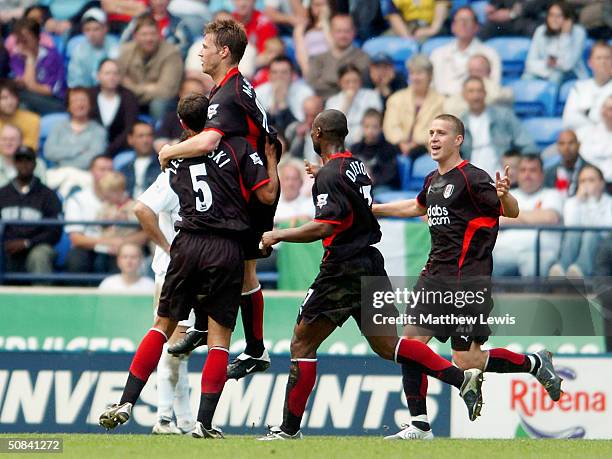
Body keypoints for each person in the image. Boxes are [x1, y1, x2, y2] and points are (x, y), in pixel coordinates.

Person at [258, 109, 485, 440]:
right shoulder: (355, 165)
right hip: (370, 264)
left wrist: (278, 234)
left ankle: (289, 431)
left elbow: (326, 225)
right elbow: (346, 193)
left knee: (302, 343)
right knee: (388, 346)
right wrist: (322, 173)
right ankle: (460, 378)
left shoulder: (330, 174)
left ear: (318, 134)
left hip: (340, 269)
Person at [98, 94, 279, 440]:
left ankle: (126, 401)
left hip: (186, 244)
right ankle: (203, 423)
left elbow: (145, 205)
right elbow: (267, 196)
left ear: (183, 125)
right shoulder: (237, 147)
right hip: (224, 247)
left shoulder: (175, 161)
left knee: (161, 327)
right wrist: (269, 162)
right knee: (219, 338)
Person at [372, 114, 562, 440]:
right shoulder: (432, 179)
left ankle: (534, 363)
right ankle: (418, 424)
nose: (433, 138)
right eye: (431, 133)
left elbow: (512, 211)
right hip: (434, 276)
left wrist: (504, 195)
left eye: (441, 133)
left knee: (467, 359)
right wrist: (372, 209)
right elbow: (415, 207)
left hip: (467, 279)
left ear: (458, 139)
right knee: (411, 344)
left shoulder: (473, 178)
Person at [158, 18, 283, 379]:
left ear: (224, 52)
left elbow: (211, 141)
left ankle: (246, 346)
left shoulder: (228, 95)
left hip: (254, 186)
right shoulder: (230, 89)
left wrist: (170, 151)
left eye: (206, 46)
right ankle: (234, 340)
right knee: (235, 266)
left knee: (227, 260)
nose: (200, 51)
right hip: (249, 179)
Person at [64, 155, 145, 275]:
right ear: (91, 171)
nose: (106, 173)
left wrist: (122, 242)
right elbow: (76, 239)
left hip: (120, 246)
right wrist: (109, 242)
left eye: (110, 169)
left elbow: (146, 231)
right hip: (91, 247)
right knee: (76, 258)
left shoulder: (131, 201)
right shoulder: (77, 199)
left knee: (125, 256)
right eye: (102, 169)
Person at [493, 154, 563, 277]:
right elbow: (496, 220)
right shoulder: (506, 194)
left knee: (532, 269)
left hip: (538, 253)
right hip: (503, 251)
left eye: (533, 170)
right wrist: (533, 217)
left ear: (542, 174)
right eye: (523, 170)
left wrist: (510, 215)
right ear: (517, 174)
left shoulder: (553, 194)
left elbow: (549, 218)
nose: (527, 175)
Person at [0, 146, 61, 281]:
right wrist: (5, 243)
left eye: (28, 160)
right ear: (14, 163)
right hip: (6, 247)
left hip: (37, 246)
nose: (24, 164)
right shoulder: (2, 194)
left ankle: (42, 300)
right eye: (20, 160)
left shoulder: (48, 195)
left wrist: (27, 243)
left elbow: (54, 231)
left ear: (35, 163)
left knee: (40, 256)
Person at [460, 77, 538, 178]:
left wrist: (521, 164)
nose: (476, 96)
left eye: (479, 91)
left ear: (485, 93)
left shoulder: (504, 115)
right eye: (471, 91)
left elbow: (526, 143)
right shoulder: (459, 123)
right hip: (471, 178)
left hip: (503, 174)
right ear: (464, 95)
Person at [549, 165, 612, 277]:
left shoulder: (609, 202)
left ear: (602, 183)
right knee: (573, 232)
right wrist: (578, 201)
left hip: (600, 243)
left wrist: (592, 201)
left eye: (591, 180)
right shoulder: (572, 202)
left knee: (590, 233)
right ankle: (562, 267)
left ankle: (580, 269)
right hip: (576, 241)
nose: (587, 184)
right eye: (583, 181)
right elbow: (571, 225)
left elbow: (604, 230)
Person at [117, 13, 183, 120]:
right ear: (135, 36)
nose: (149, 38)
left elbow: (166, 90)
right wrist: (150, 87)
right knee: (121, 99)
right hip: (132, 99)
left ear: (159, 34)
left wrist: (134, 87)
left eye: (153, 34)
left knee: (158, 104)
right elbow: (118, 81)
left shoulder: (172, 53)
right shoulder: (125, 51)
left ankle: (159, 135)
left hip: (160, 101)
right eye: (144, 34)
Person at [430, 6, 502, 97]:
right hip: (441, 105)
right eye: (459, 20)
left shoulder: (490, 54)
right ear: (452, 27)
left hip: (474, 105)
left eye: (468, 20)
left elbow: (494, 86)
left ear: (476, 27)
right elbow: (430, 87)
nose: (463, 24)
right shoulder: (437, 54)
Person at [383, 54, 444, 159]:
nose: (415, 77)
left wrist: (416, 143)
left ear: (430, 76)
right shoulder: (395, 98)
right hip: (398, 146)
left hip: (426, 147)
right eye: (412, 73)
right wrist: (401, 142)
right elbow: (390, 127)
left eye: (420, 73)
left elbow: (438, 129)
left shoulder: (441, 101)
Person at [305, 14, 370, 100]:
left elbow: (356, 83)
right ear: (331, 33)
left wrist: (325, 79)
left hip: (354, 101)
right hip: (323, 104)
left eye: (346, 31)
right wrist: (343, 81)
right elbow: (313, 83)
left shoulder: (363, 57)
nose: (343, 35)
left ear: (353, 32)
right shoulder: (318, 58)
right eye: (338, 31)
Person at [8, 17, 65, 114]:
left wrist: (30, 58)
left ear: (38, 38)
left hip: (55, 102)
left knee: (20, 96)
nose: (21, 45)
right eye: (18, 41)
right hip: (30, 101)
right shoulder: (16, 58)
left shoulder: (52, 56)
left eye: (25, 40)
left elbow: (48, 91)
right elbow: (26, 84)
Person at [43, 87, 108, 170]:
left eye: (83, 100)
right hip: (58, 173)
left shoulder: (99, 131)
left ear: (90, 105)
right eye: (75, 101)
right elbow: (49, 152)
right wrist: (78, 150)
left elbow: (94, 158)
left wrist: (65, 163)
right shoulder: (58, 127)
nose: (79, 104)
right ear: (68, 106)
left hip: (85, 174)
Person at [523, 1, 588, 84]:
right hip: (546, 70)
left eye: (558, 16)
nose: (554, 19)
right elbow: (530, 62)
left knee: (556, 76)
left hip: (572, 74)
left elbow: (568, 65)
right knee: (527, 76)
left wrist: (565, 35)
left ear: (567, 18)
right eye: (551, 15)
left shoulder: (578, 32)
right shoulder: (541, 30)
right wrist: (547, 64)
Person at [89, 59, 140, 157]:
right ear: (98, 76)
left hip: (121, 150)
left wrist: (109, 150)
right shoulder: (90, 95)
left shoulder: (129, 97)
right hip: (92, 148)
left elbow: (130, 127)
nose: (111, 77)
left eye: (115, 73)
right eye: (107, 73)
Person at [324, 63, 383, 147]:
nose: (351, 85)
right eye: (347, 82)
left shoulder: (372, 96)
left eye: (355, 81)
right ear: (340, 82)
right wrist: (347, 103)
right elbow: (332, 127)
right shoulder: (332, 101)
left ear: (360, 81)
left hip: (365, 141)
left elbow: (376, 121)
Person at [255, 56, 314, 137]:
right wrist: (273, 106)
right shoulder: (259, 92)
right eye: (275, 72)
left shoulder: (305, 93)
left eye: (284, 72)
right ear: (269, 75)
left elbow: (299, 126)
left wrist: (283, 104)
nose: (279, 76)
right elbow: (259, 125)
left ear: (292, 75)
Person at [444, 54, 513, 117]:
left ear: (488, 71)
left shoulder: (499, 91)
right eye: (471, 71)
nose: (474, 75)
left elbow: (493, 99)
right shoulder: (464, 86)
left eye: (478, 71)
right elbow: (449, 106)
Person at [562, 41, 611, 131]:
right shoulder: (579, 88)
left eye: (607, 58)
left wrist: (585, 114)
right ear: (590, 62)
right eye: (599, 58)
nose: (603, 62)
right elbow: (568, 120)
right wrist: (597, 121)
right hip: (580, 141)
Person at [67, 8, 120, 88]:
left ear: (105, 28)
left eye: (96, 29)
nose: (91, 34)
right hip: (86, 95)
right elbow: (75, 82)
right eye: (87, 30)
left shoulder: (115, 46)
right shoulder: (79, 51)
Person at [120, 0, 192, 58]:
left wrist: (164, 54)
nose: (159, 2)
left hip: (167, 61)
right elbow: (124, 42)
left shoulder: (178, 24)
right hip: (139, 60)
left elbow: (185, 47)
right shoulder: (138, 19)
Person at [154, 77, 209, 153]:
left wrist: (176, 145)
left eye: (199, 95)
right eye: (190, 93)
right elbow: (159, 146)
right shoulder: (170, 118)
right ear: (181, 93)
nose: (193, 99)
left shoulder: (212, 118)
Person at [351, 108, 400, 191]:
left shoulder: (389, 149)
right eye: (367, 126)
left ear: (381, 127)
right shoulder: (355, 148)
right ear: (362, 126)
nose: (370, 131)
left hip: (382, 186)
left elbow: (390, 174)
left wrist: (373, 179)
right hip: (359, 186)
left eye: (374, 127)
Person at [575, 95, 612, 186]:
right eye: (603, 107)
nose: (604, 112)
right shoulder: (588, 132)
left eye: (610, 109)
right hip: (589, 180)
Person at [292, 0, 333, 76]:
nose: (320, 8)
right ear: (311, 7)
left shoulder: (336, 25)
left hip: (331, 66)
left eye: (323, 5)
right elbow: (301, 55)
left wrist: (325, 24)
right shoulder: (303, 28)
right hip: (311, 66)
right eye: (316, 5)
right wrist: (308, 74)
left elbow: (335, 49)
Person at [119, 121, 159, 198]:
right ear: (130, 139)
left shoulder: (164, 166)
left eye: (149, 135)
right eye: (140, 136)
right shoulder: (124, 169)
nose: (145, 140)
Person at [543, 129, 588, 196]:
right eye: (562, 143)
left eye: (571, 143)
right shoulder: (549, 173)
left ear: (579, 145)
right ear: (557, 147)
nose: (566, 148)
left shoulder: (590, 171)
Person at [479, 0, 552, 40]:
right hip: (508, 23)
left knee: (539, 29)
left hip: (531, 22)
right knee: (488, 26)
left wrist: (511, 13)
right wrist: (492, 7)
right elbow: (493, 7)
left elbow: (537, 5)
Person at [0, 79, 40, 151]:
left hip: (22, 160)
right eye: (4, 98)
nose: (10, 102)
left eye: (13, 97)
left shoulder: (32, 120)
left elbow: (29, 149)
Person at [381, 0, 449, 40]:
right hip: (406, 27)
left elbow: (441, 7)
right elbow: (393, 16)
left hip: (432, 26)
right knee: (382, 42)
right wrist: (407, 37)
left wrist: (432, 30)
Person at [274, 158, 314, 225]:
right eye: (287, 179)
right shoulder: (273, 203)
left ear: (301, 182)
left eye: (295, 179)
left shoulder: (310, 203)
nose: (290, 184)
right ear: (279, 181)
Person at [285, 95, 324, 163]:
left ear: (321, 112)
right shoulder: (293, 129)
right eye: (306, 115)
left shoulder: (329, 131)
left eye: (313, 116)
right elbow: (290, 155)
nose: (309, 120)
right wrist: (299, 138)